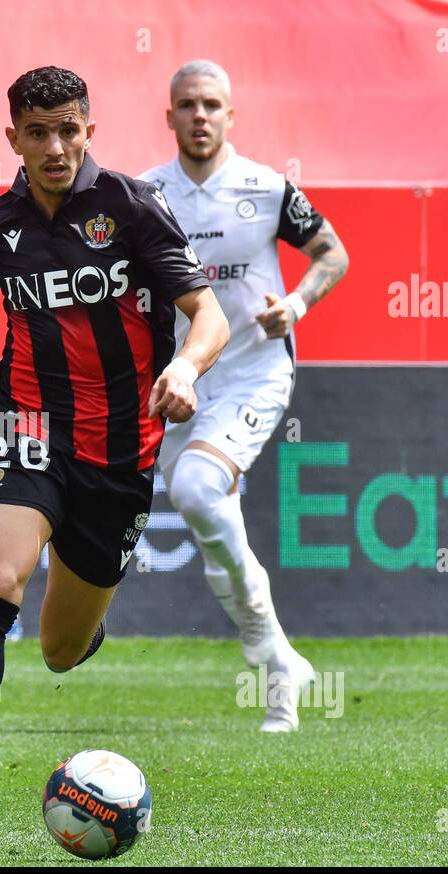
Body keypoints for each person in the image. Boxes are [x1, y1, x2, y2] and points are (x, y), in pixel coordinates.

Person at [0, 66, 230, 848]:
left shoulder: (133, 208)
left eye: (69, 129)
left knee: (60, 652)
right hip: (28, 426)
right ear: (15, 140)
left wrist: (184, 367)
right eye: (39, 132)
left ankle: (82, 622)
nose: (57, 146)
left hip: (121, 456)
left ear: (89, 130)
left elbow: (208, 315)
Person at [137, 60, 350, 732]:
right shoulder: (143, 195)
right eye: (188, 105)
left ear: (232, 116)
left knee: (198, 491)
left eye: (212, 105)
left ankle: (264, 645)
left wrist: (296, 303)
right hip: (176, 381)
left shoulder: (266, 187)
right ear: (168, 116)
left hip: (252, 371)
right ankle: (279, 664)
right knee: (212, 525)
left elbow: (333, 253)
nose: (200, 116)